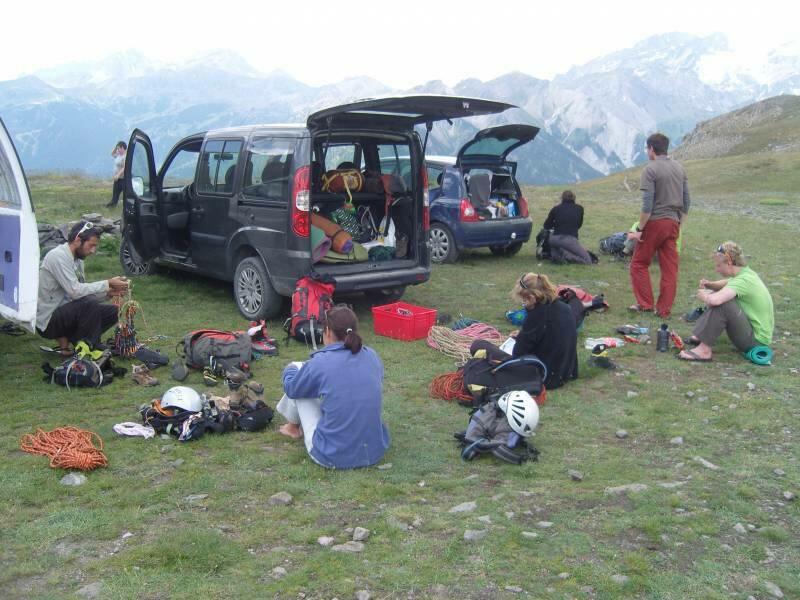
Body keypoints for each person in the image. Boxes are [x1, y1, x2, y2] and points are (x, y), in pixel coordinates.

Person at [277, 305, 390, 469]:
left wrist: (290, 369)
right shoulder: (372, 355)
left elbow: (292, 389)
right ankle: (292, 427)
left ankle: (292, 428)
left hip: (332, 456)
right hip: (373, 452)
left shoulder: (320, 363)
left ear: (328, 331)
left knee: (299, 380)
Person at [472, 273, 578, 390]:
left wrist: (522, 335)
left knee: (478, 345)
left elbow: (518, 353)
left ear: (532, 298)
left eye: (524, 300)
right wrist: (522, 335)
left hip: (545, 376)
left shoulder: (537, 314)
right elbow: (548, 335)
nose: (523, 304)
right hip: (567, 372)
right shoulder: (564, 307)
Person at [36, 221, 129, 354]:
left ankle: (81, 342)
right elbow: (75, 291)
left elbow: (81, 294)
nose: (93, 250)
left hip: (67, 312)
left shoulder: (78, 260)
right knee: (89, 304)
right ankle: (90, 346)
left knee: (114, 311)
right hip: (48, 320)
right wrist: (107, 283)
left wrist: (108, 293)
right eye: (91, 245)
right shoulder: (58, 256)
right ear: (78, 240)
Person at [627, 133, 690, 318]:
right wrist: (679, 223)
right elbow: (687, 201)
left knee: (639, 263)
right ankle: (663, 310)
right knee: (670, 269)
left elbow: (647, 205)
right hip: (673, 223)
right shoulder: (679, 168)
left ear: (651, 149)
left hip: (655, 222)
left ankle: (645, 304)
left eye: (647, 149)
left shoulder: (650, 169)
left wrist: (639, 229)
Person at [678, 242, 774, 362]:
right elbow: (727, 283)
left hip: (755, 342)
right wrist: (710, 285)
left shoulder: (744, 281)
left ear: (729, 263)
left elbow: (716, 300)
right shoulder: (746, 273)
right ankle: (701, 336)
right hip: (754, 334)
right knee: (718, 296)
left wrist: (704, 296)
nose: (716, 269)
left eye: (718, 265)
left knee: (722, 303)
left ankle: (704, 351)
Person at [543, 190, 593, 264]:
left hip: (554, 239)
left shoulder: (556, 208)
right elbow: (579, 225)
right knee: (588, 260)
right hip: (569, 239)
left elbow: (546, 225)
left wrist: (557, 225)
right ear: (574, 198)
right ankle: (567, 256)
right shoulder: (579, 208)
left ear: (562, 198)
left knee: (559, 248)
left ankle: (557, 255)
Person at [105, 141, 127, 208]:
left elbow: (125, 167)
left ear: (122, 148)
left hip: (123, 179)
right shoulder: (118, 155)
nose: (118, 150)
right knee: (115, 196)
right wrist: (116, 147)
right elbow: (112, 154)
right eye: (117, 149)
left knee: (126, 195)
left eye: (119, 148)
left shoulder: (125, 156)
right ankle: (111, 206)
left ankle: (126, 209)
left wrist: (118, 175)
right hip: (117, 179)